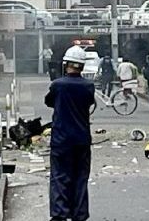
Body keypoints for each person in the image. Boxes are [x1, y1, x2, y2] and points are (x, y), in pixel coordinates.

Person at [45, 45, 95, 221]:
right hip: (82, 139)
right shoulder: (88, 86)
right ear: (82, 66)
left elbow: (49, 102)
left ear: (66, 64)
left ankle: (60, 214)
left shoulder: (58, 85)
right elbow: (89, 102)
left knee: (59, 177)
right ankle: (79, 214)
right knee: (80, 177)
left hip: (61, 139)